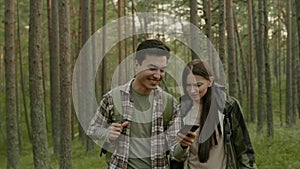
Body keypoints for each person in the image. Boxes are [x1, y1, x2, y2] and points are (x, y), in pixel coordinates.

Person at [87, 39, 195, 169]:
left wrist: (183, 145)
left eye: (162, 70)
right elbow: (93, 130)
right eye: (152, 68)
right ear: (137, 64)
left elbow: (176, 153)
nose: (157, 75)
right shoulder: (112, 98)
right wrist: (107, 133)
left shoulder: (170, 103)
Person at [176, 59, 257, 169]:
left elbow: (244, 150)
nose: (192, 90)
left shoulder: (228, 106)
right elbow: (175, 153)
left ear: (210, 81)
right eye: (188, 85)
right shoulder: (181, 107)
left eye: (198, 85)